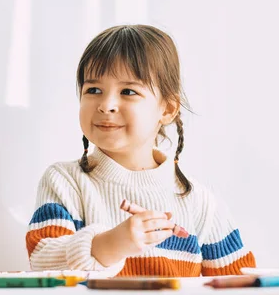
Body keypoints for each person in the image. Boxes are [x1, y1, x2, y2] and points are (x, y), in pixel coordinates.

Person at [25, 24, 256, 276]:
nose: (106, 105)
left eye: (128, 91)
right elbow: (42, 263)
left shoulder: (200, 203)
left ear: (167, 109)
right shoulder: (64, 182)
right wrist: (112, 244)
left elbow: (239, 283)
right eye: (93, 90)